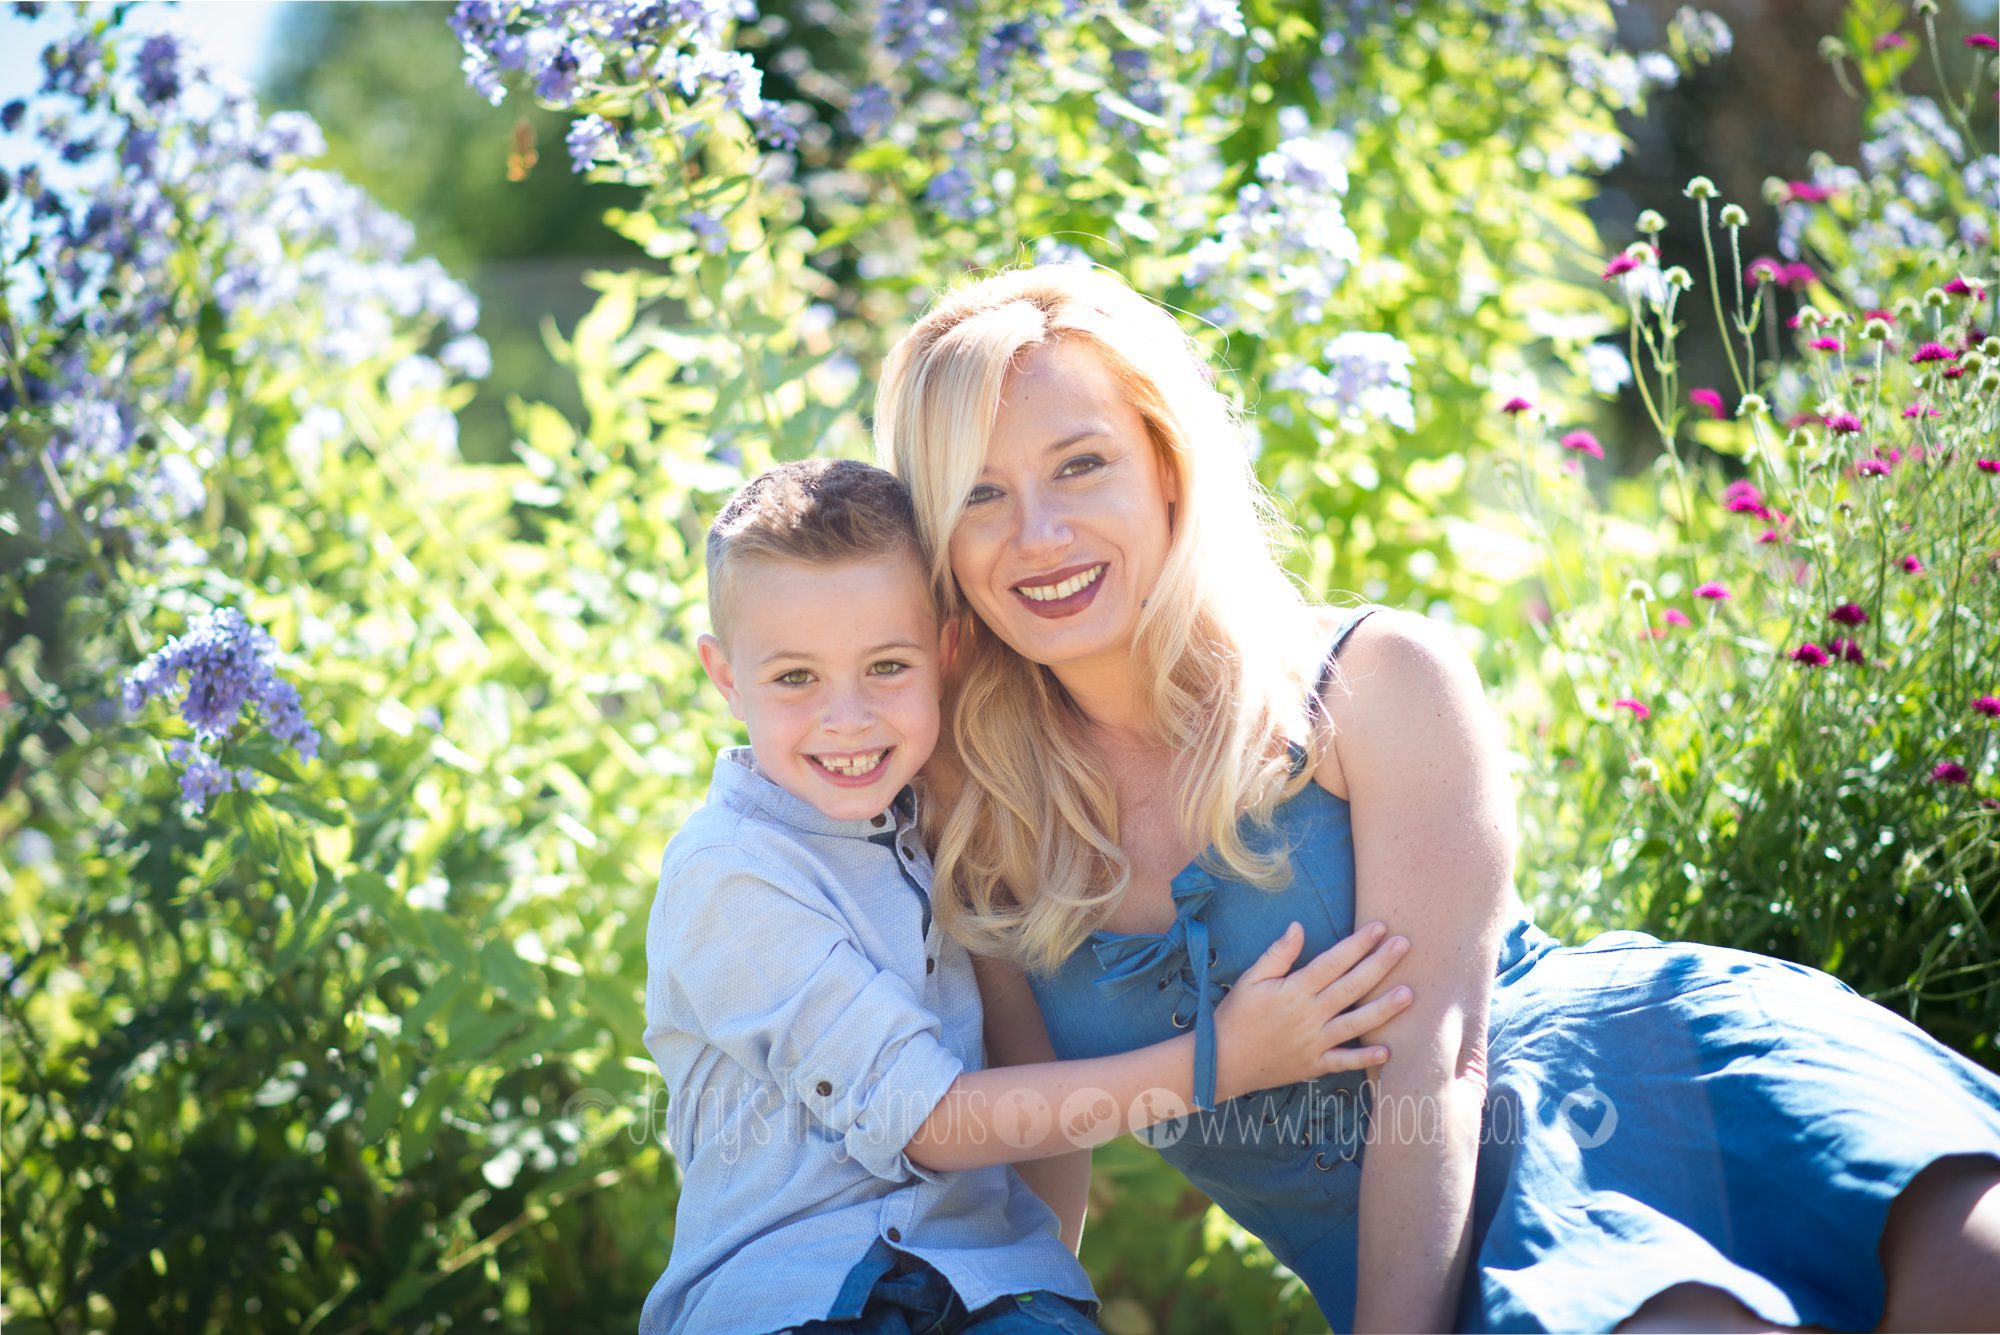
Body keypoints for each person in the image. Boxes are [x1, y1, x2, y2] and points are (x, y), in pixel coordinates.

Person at [873, 265, 2000, 1334]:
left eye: (1080, 465)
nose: (1039, 534)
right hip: (1412, 1252)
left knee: (1969, 1281)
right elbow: (1040, 1161)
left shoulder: (1370, 681)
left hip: (1626, 1080)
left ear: (1165, 466)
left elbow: (1441, 1059)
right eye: (979, 495)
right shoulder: (977, 810)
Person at [639, 458, 1415, 1334]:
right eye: (794, 679)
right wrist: (1222, 1061)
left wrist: (1053, 1275)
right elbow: (930, 1120)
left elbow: (1029, 1082)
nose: (846, 718)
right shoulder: (731, 873)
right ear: (724, 675)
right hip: (802, 1295)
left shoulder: (949, 817)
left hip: (988, 1292)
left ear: (948, 651)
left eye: (887, 666)